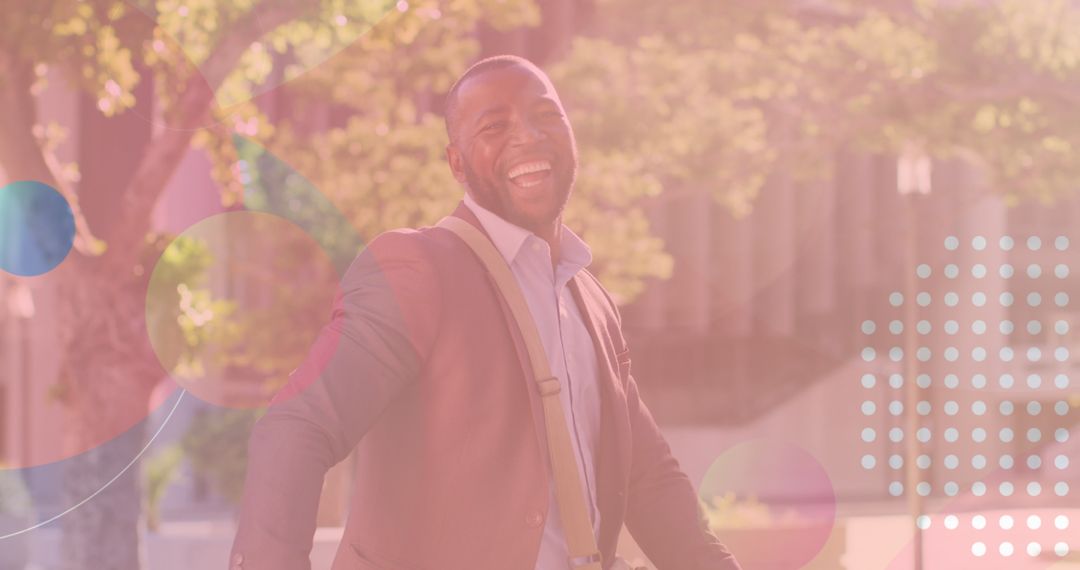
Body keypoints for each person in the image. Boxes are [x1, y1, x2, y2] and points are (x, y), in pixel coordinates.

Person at [229, 55, 740, 570]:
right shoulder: (417, 268)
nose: (528, 136)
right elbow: (299, 425)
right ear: (457, 164)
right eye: (495, 126)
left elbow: (649, 480)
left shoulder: (592, 301)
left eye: (546, 115)